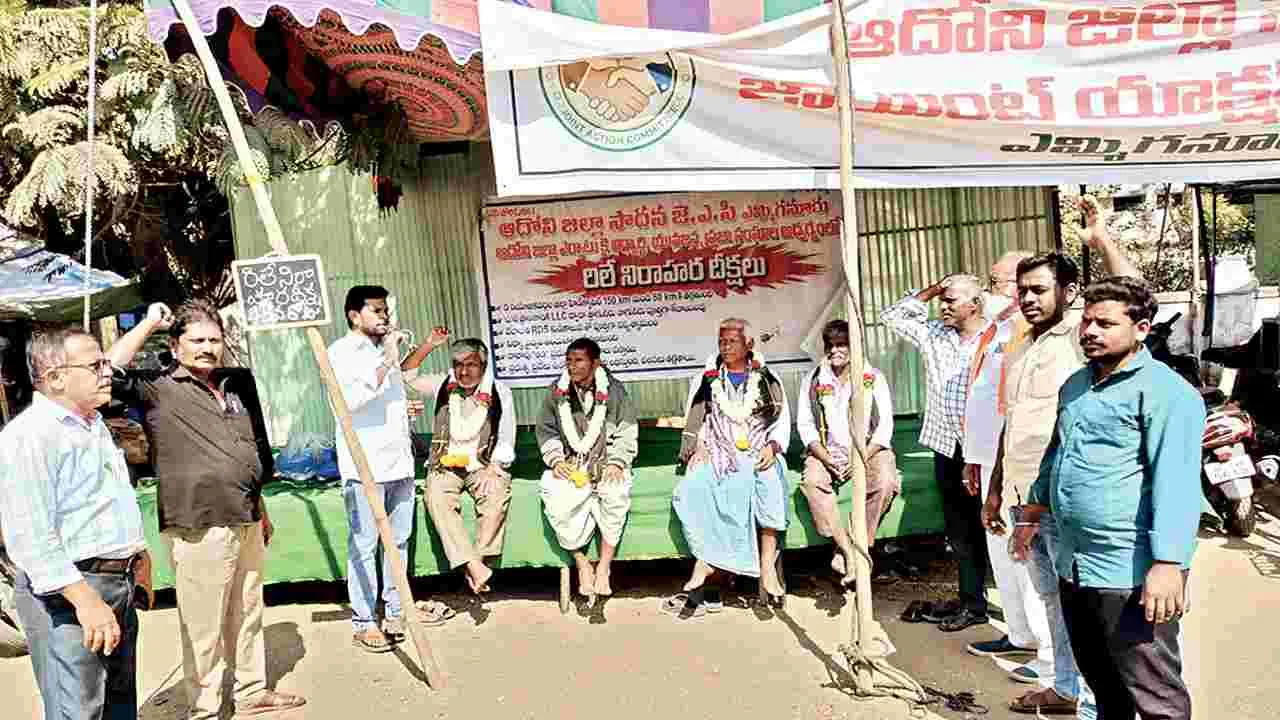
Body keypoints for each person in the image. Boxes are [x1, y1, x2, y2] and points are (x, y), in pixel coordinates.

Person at [1013, 277, 1204, 720]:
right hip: (1076, 563)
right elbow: (1056, 455)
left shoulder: (1167, 393)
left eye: (1105, 323)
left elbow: (1175, 485)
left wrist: (1168, 564)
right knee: (1102, 682)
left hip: (1131, 570)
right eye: (1086, 322)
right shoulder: (1077, 385)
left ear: (1141, 329)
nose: (1090, 332)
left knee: (1153, 692)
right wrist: (1030, 514)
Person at [108, 301, 304, 717]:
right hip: (199, 522)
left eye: (214, 340)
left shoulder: (234, 385)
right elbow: (106, 373)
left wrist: (260, 505)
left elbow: (247, 450)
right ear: (175, 346)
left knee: (248, 612)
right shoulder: (158, 386)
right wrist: (147, 324)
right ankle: (206, 707)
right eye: (196, 340)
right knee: (204, 625)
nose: (207, 348)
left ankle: (251, 692)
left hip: (246, 513)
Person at [985, 196, 1140, 716]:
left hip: (1062, 502)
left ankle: (1096, 703)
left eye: (1037, 290)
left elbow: (1137, 298)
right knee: (1052, 605)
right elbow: (1016, 421)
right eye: (1021, 290)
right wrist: (995, 487)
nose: (1026, 299)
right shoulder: (1024, 342)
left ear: (1068, 293)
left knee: (1086, 612)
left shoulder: (1081, 336)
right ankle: (1067, 689)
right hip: (1022, 497)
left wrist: (1100, 240)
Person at [0, 328, 152, 720]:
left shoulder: (91, 424)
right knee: (78, 710)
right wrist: (85, 600)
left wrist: (137, 556)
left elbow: (104, 502)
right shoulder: (29, 436)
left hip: (116, 582)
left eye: (106, 362)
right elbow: (29, 535)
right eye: (96, 364)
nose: (107, 372)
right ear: (55, 378)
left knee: (119, 705)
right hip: (68, 593)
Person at [326, 286, 451, 653]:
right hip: (364, 466)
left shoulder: (385, 350)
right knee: (364, 545)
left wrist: (420, 349)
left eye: (386, 310)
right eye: (376, 310)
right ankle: (364, 620)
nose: (384, 316)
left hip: (398, 462)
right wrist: (389, 357)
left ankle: (397, 609)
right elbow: (352, 399)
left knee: (398, 541)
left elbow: (400, 377)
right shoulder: (340, 353)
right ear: (354, 315)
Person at [962, 253, 1056, 677]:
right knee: (1002, 555)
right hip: (990, 459)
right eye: (997, 282)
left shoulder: (1037, 335)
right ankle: (1019, 634)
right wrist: (975, 459)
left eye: (999, 282)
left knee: (1031, 561)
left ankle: (1050, 655)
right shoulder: (995, 330)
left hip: (1027, 465)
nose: (994, 289)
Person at [881, 273, 992, 631]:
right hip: (950, 447)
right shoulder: (934, 336)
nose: (943, 306)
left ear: (975, 305)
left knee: (996, 527)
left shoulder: (997, 338)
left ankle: (1020, 615)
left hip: (990, 448)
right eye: (941, 300)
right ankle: (973, 604)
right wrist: (932, 289)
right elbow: (892, 316)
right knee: (961, 531)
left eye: (951, 300)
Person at [666, 318, 790, 617]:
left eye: (732, 341)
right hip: (720, 450)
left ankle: (766, 567)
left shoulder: (767, 378)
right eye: (721, 341)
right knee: (691, 487)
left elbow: (781, 421)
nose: (725, 346)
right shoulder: (707, 378)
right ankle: (705, 560)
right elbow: (697, 420)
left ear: (749, 345)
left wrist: (772, 448)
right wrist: (701, 446)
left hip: (759, 449)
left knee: (769, 482)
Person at [406, 338, 516, 596]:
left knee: (496, 496)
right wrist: (428, 345)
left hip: (483, 464)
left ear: (484, 366)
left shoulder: (500, 392)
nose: (464, 371)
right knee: (434, 498)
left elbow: (507, 437)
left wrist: (495, 467)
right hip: (446, 464)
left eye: (471, 365)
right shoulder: (442, 385)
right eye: (457, 364)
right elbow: (405, 374)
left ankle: (474, 564)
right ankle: (476, 567)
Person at [796, 319, 900, 585]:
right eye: (830, 346)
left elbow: (884, 427)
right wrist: (825, 457)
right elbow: (806, 428)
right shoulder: (814, 379)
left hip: (868, 449)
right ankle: (845, 549)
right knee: (812, 483)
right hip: (827, 450)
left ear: (855, 346)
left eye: (842, 344)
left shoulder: (872, 377)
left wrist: (861, 457)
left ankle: (857, 546)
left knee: (887, 481)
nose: (835, 351)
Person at [536, 338, 638, 599]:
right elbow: (546, 431)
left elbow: (626, 431)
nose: (572, 366)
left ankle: (604, 567)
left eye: (579, 360)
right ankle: (581, 563)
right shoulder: (556, 392)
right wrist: (557, 460)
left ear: (596, 362)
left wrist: (616, 462)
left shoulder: (613, 391)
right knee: (553, 492)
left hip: (606, 462)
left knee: (616, 494)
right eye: (569, 361)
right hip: (572, 464)